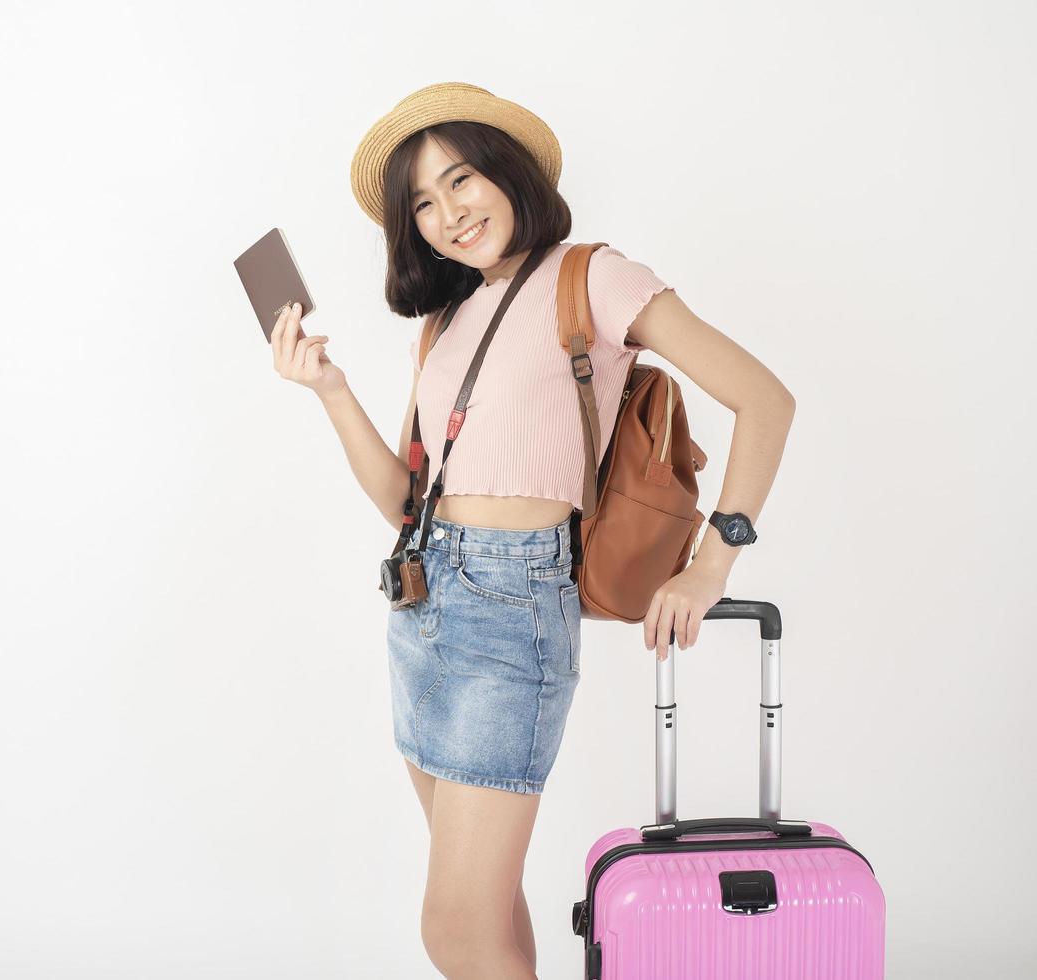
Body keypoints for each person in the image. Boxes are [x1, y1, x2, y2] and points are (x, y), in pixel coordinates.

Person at [270, 82, 796, 979]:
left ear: (509, 172)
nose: (447, 214)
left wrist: (709, 568)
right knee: (491, 915)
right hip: (423, 606)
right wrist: (330, 390)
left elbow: (765, 399)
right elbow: (408, 498)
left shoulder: (592, 276)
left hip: (515, 609)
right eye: (423, 205)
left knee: (455, 932)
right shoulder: (441, 324)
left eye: (461, 180)